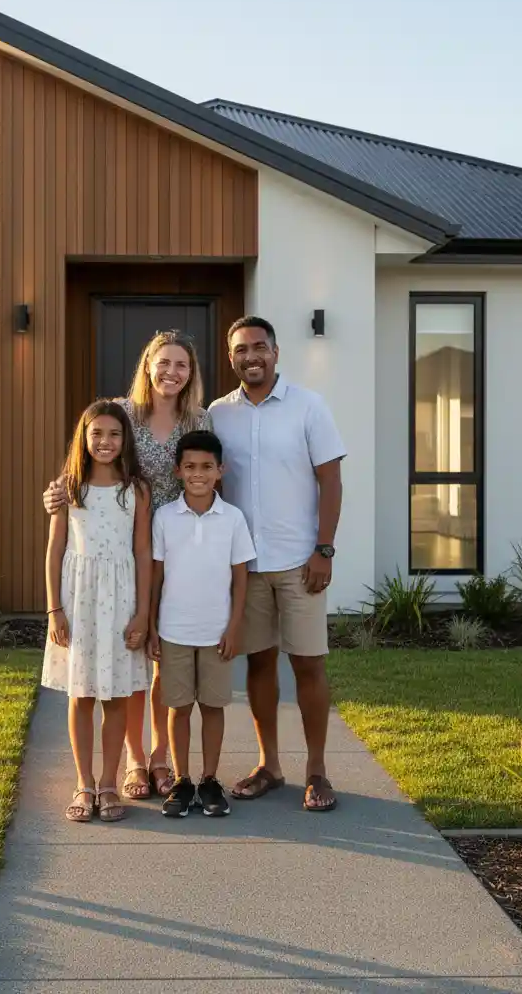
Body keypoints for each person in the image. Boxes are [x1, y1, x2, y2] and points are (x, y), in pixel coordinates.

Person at [43, 330, 210, 801]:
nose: (171, 372)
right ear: (148, 365)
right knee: (130, 659)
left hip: (172, 546)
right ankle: (134, 761)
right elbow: (81, 458)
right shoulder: (122, 414)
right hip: (118, 549)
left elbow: (212, 472)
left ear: (191, 373)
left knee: (161, 652)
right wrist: (56, 493)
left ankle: (162, 758)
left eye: (181, 365)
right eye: (163, 362)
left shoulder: (200, 419)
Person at [208, 316, 346, 812]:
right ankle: (270, 764)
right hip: (246, 564)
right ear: (231, 358)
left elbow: (330, 482)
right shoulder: (217, 415)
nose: (252, 356)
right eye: (242, 349)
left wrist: (324, 549)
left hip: (300, 561)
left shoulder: (310, 407)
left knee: (309, 663)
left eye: (260, 347)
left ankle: (317, 770)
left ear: (276, 352)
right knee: (260, 662)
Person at [42, 399, 152, 823]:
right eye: (97, 434)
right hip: (79, 601)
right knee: (82, 694)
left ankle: (110, 782)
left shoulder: (135, 489)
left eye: (114, 434)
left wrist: (143, 613)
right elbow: (55, 551)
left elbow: (143, 553)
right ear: (83, 439)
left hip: (122, 600)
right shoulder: (69, 487)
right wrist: (54, 610)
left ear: (125, 440)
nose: (105, 442)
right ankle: (84, 782)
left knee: (118, 694)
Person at [148, 430, 256, 818]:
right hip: (174, 632)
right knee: (178, 708)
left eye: (207, 467)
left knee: (212, 707)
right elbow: (156, 576)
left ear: (220, 471)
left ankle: (209, 780)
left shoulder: (233, 519)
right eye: (190, 466)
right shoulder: (164, 517)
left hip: (217, 633)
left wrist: (235, 626)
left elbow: (241, 577)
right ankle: (182, 780)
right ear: (178, 470)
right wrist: (151, 626)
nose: (198, 473)